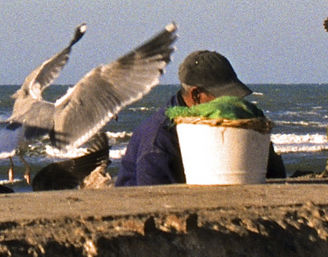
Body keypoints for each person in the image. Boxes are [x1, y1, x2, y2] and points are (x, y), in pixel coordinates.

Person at [116, 51, 282, 185]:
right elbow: (154, 200)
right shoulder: (159, 139)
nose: (233, 104)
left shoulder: (233, 123)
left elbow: (271, 176)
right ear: (196, 95)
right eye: (224, 98)